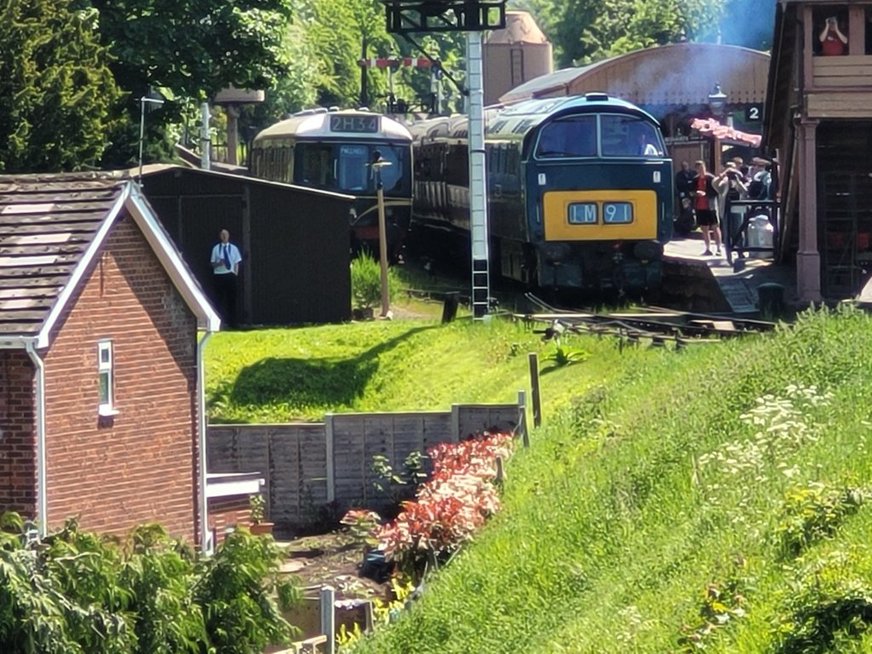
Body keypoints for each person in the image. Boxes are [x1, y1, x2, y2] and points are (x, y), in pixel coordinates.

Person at [210, 228, 242, 328]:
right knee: (218, 300)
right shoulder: (216, 249)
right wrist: (219, 263)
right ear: (220, 236)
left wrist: (235, 273)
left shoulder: (234, 248)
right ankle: (219, 324)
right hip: (219, 275)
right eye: (222, 235)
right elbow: (212, 263)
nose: (224, 237)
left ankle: (233, 323)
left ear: (228, 236)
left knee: (232, 300)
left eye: (226, 235)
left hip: (230, 275)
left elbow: (237, 262)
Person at [692, 160, 724, 256]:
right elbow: (692, 190)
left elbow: (716, 191)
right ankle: (707, 248)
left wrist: (705, 194)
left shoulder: (711, 178)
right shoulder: (695, 179)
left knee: (715, 226)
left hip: (711, 205)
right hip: (700, 206)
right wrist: (696, 193)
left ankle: (719, 248)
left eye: (702, 168)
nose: (701, 170)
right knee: (704, 228)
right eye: (699, 168)